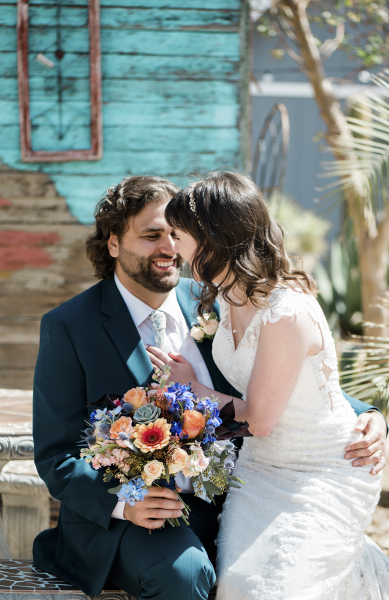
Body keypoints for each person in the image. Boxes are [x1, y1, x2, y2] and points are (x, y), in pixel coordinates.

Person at [32, 175, 386, 600]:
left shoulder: (218, 294)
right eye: (152, 235)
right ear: (112, 244)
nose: (170, 248)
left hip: (242, 490)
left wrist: (368, 413)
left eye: (176, 234)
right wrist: (126, 501)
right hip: (139, 514)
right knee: (187, 576)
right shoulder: (70, 327)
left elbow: (286, 372)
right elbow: (57, 454)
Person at [145, 170, 389, 599]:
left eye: (179, 235)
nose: (173, 248)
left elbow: (258, 419)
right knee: (240, 584)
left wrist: (190, 387)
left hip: (322, 468)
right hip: (260, 468)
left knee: (274, 588)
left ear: (212, 238)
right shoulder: (224, 294)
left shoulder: (286, 313)